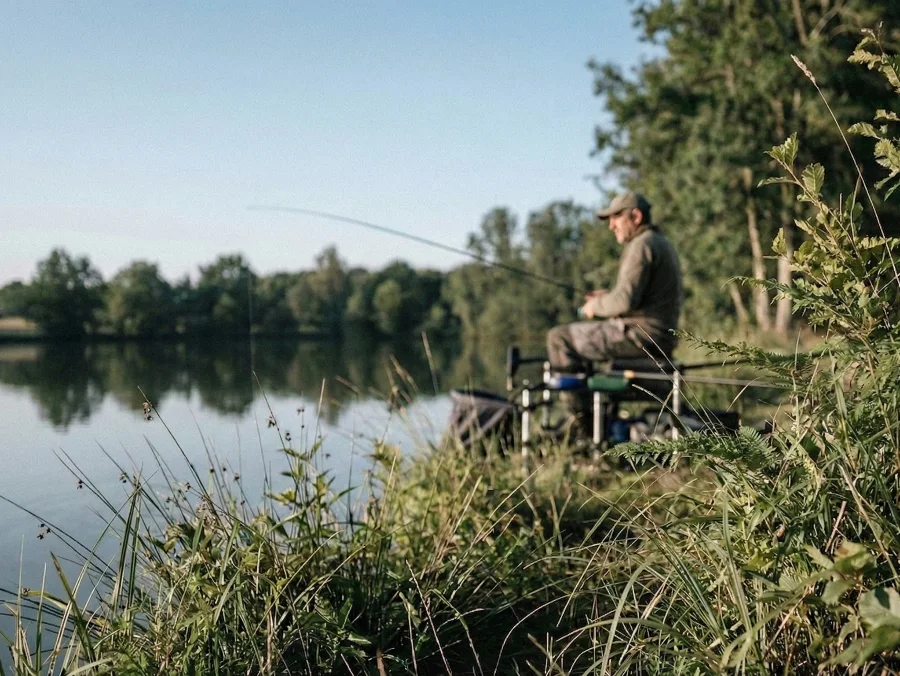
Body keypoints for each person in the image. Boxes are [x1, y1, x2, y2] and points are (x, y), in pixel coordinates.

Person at [547, 191, 683, 372]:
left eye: (616, 217)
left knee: (558, 338)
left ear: (636, 216)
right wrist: (607, 297)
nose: (611, 226)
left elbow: (624, 301)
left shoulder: (641, 245)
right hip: (659, 336)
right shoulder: (659, 242)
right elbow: (637, 298)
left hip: (641, 336)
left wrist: (595, 306)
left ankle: (574, 401)